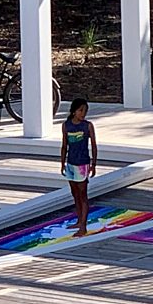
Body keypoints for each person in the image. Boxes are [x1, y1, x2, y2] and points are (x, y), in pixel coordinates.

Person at [59, 98, 97, 237]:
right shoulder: (66, 125)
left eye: (85, 111)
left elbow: (93, 145)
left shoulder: (87, 126)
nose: (83, 113)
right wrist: (62, 163)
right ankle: (79, 220)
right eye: (81, 110)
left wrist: (93, 164)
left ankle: (83, 226)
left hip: (82, 164)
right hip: (71, 163)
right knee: (74, 193)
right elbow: (64, 146)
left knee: (83, 194)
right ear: (74, 111)